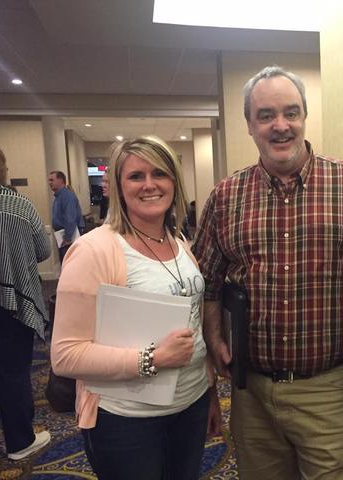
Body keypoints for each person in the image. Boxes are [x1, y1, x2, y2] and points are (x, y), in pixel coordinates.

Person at [192, 65, 343, 480]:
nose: (281, 126)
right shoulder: (225, 197)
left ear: (304, 116)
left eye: (291, 112)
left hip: (330, 388)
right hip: (251, 393)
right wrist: (214, 338)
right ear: (249, 124)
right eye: (266, 115)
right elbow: (208, 282)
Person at [50, 135, 221, 480]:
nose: (149, 185)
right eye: (136, 176)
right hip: (126, 421)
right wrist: (152, 359)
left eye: (159, 173)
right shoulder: (94, 250)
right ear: (117, 186)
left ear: (174, 181)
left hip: (191, 406)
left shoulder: (179, 243)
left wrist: (211, 392)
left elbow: (193, 327)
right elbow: (65, 355)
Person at [0, 139, 52, 464]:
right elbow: (43, 251)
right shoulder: (21, 205)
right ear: (2, 169)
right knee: (13, 373)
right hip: (14, 302)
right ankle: (20, 441)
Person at [48, 170, 84, 261]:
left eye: (52, 180)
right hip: (63, 236)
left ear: (61, 180)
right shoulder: (59, 197)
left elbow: (70, 218)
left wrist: (68, 238)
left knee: (69, 263)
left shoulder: (67, 196)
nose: (49, 183)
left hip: (69, 238)